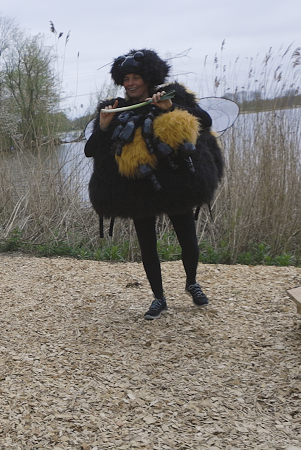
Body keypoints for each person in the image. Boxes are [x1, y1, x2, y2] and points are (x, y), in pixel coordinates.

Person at [84, 49, 224, 320]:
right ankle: (159, 298)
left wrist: (171, 109)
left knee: (188, 241)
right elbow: (91, 150)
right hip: (137, 189)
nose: (130, 83)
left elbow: (204, 121)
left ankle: (192, 283)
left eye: (135, 77)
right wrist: (102, 126)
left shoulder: (172, 97)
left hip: (176, 185)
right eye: (126, 78)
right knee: (148, 246)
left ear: (148, 78)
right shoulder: (115, 108)